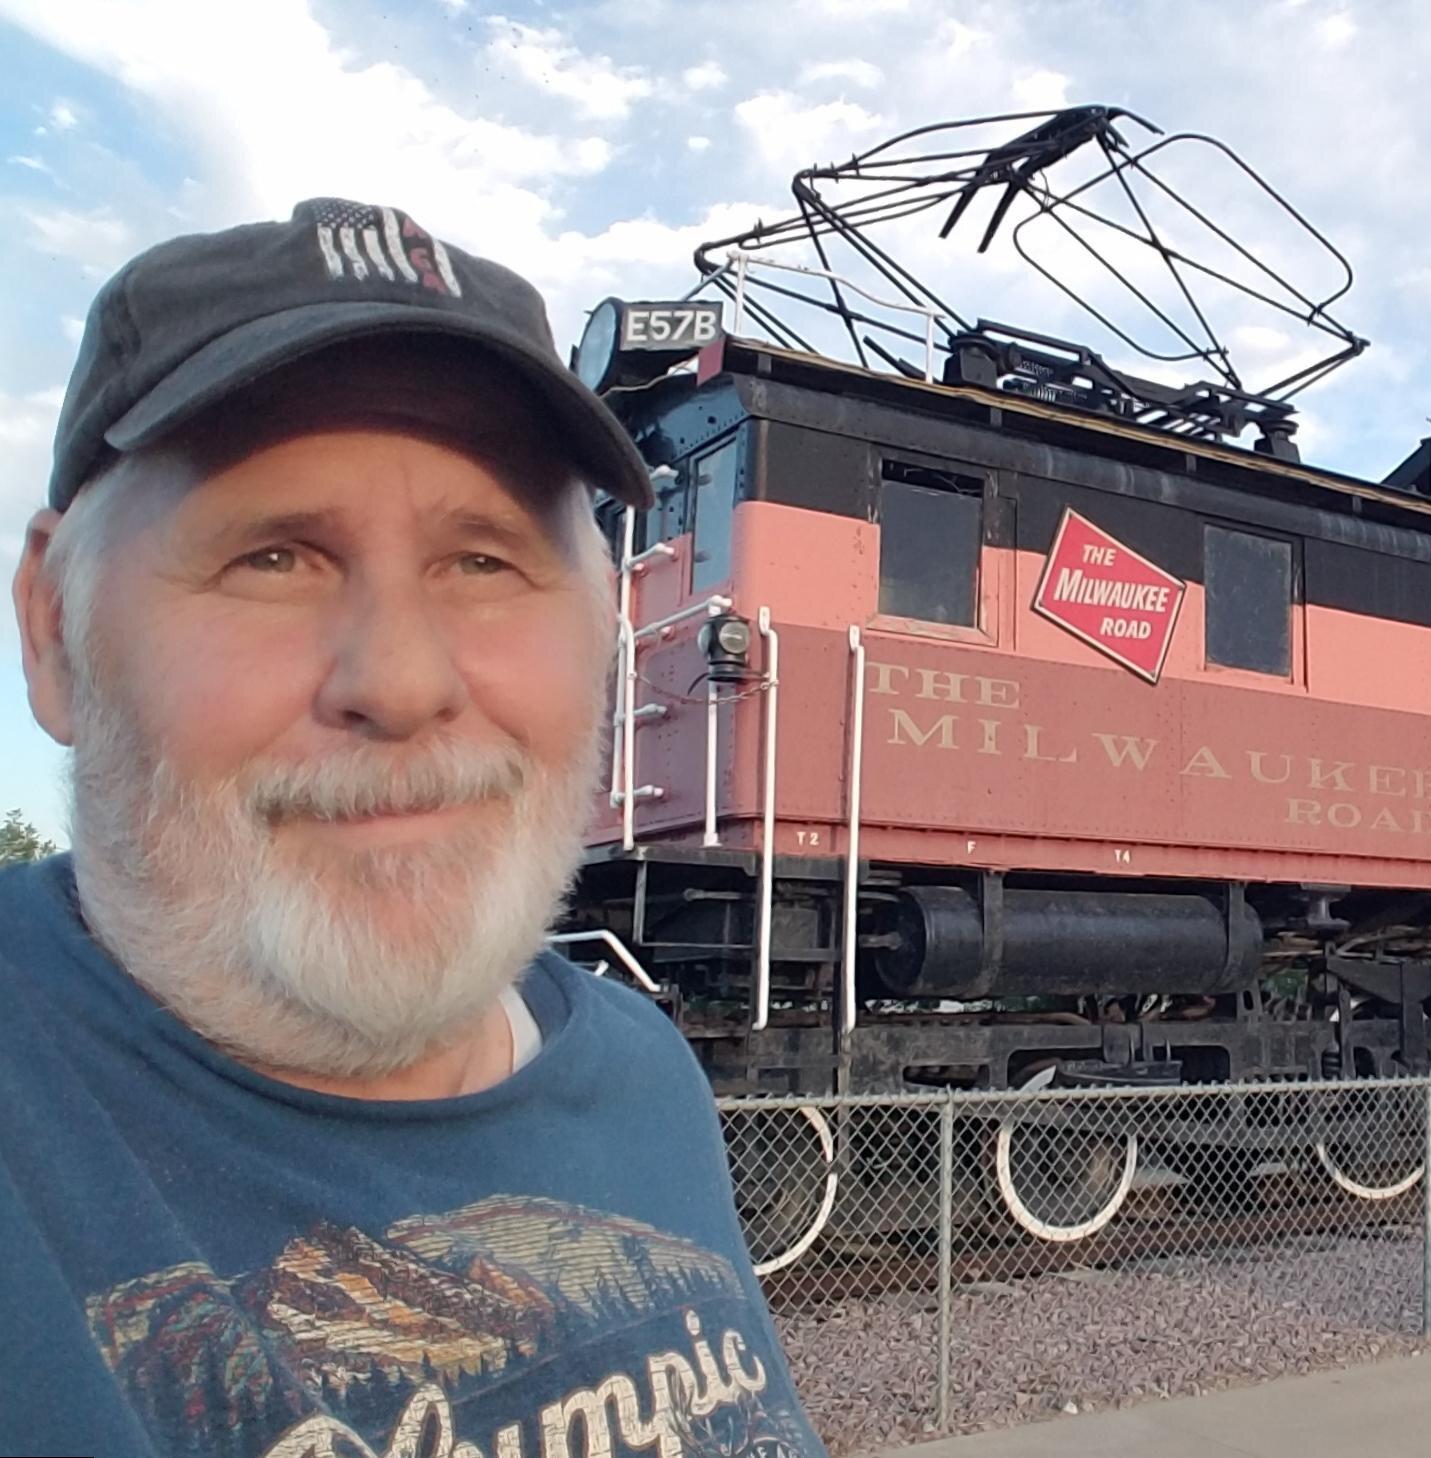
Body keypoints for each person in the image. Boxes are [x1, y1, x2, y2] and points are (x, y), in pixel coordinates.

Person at [0, 200, 826, 1458]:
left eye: (484, 559)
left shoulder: (645, 1077)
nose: (397, 681)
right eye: (272, 556)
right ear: (56, 631)